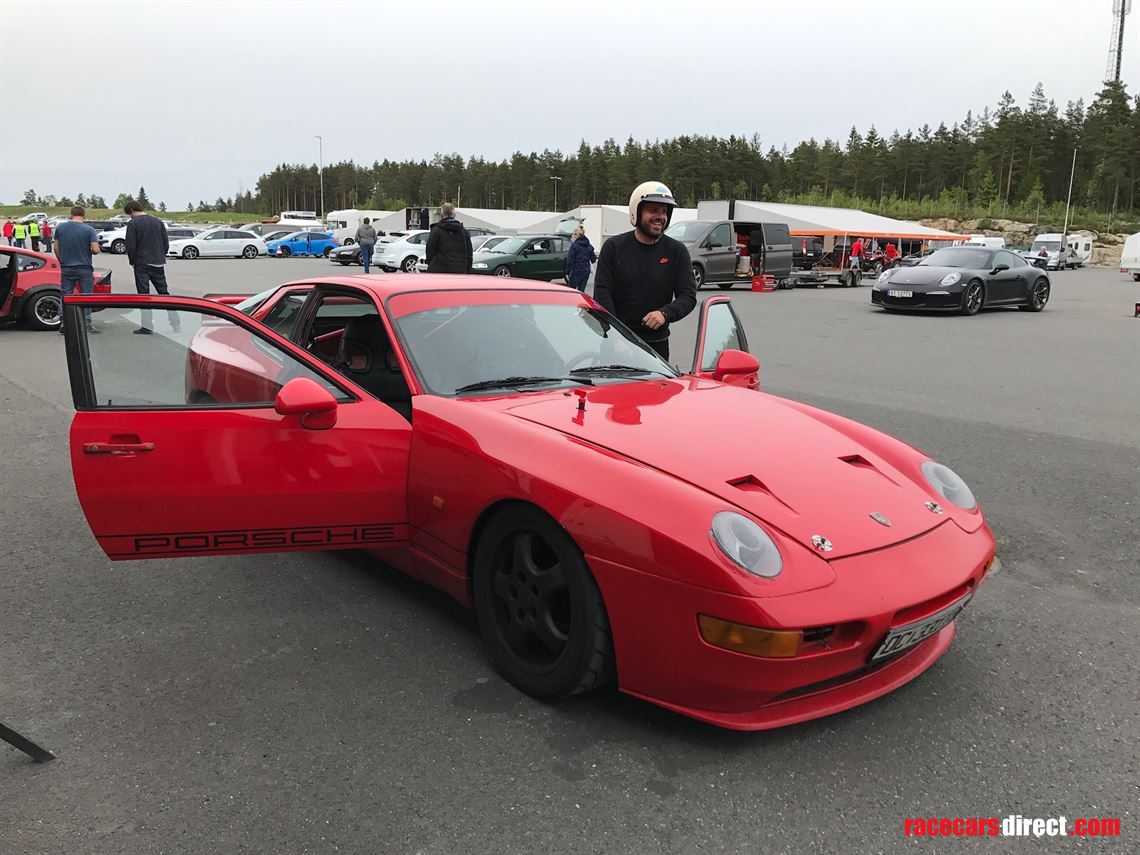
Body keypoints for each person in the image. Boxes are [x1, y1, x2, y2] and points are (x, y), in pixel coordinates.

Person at [593, 181, 696, 361]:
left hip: (657, 347)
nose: (660, 217)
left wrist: (665, 313)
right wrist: (616, 336)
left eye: (664, 211)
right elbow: (602, 295)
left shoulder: (677, 251)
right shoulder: (614, 248)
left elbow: (688, 296)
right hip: (616, 345)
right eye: (653, 210)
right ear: (636, 212)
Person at [123, 199, 175, 334]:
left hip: (141, 263)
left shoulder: (133, 223)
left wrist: (132, 261)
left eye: (130, 214)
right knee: (164, 293)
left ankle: (147, 326)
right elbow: (165, 243)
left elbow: (131, 245)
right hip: (158, 262)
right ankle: (175, 322)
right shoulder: (158, 222)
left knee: (144, 295)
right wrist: (160, 255)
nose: (131, 216)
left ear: (133, 211)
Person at [53, 206, 101, 334]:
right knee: (86, 296)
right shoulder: (89, 230)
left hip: (66, 267)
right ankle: (87, 324)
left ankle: (65, 323)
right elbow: (96, 249)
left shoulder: (60, 228)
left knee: (66, 295)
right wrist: (89, 250)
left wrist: (61, 260)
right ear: (84, 216)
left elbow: (56, 247)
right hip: (84, 267)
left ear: (71, 214)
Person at [425, 202, 472, 274]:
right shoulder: (464, 232)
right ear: (454, 215)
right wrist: (467, 270)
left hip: (438, 271)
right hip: (460, 271)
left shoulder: (436, 230)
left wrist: (431, 264)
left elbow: (429, 250)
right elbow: (469, 253)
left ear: (441, 215)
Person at [564, 226, 596, 292]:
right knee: (581, 291)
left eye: (573, 234)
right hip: (586, 272)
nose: (572, 236)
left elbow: (570, 260)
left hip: (576, 271)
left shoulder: (574, 245)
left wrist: (567, 272)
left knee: (571, 291)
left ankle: (571, 302)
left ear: (577, 235)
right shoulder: (589, 245)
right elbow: (593, 259)